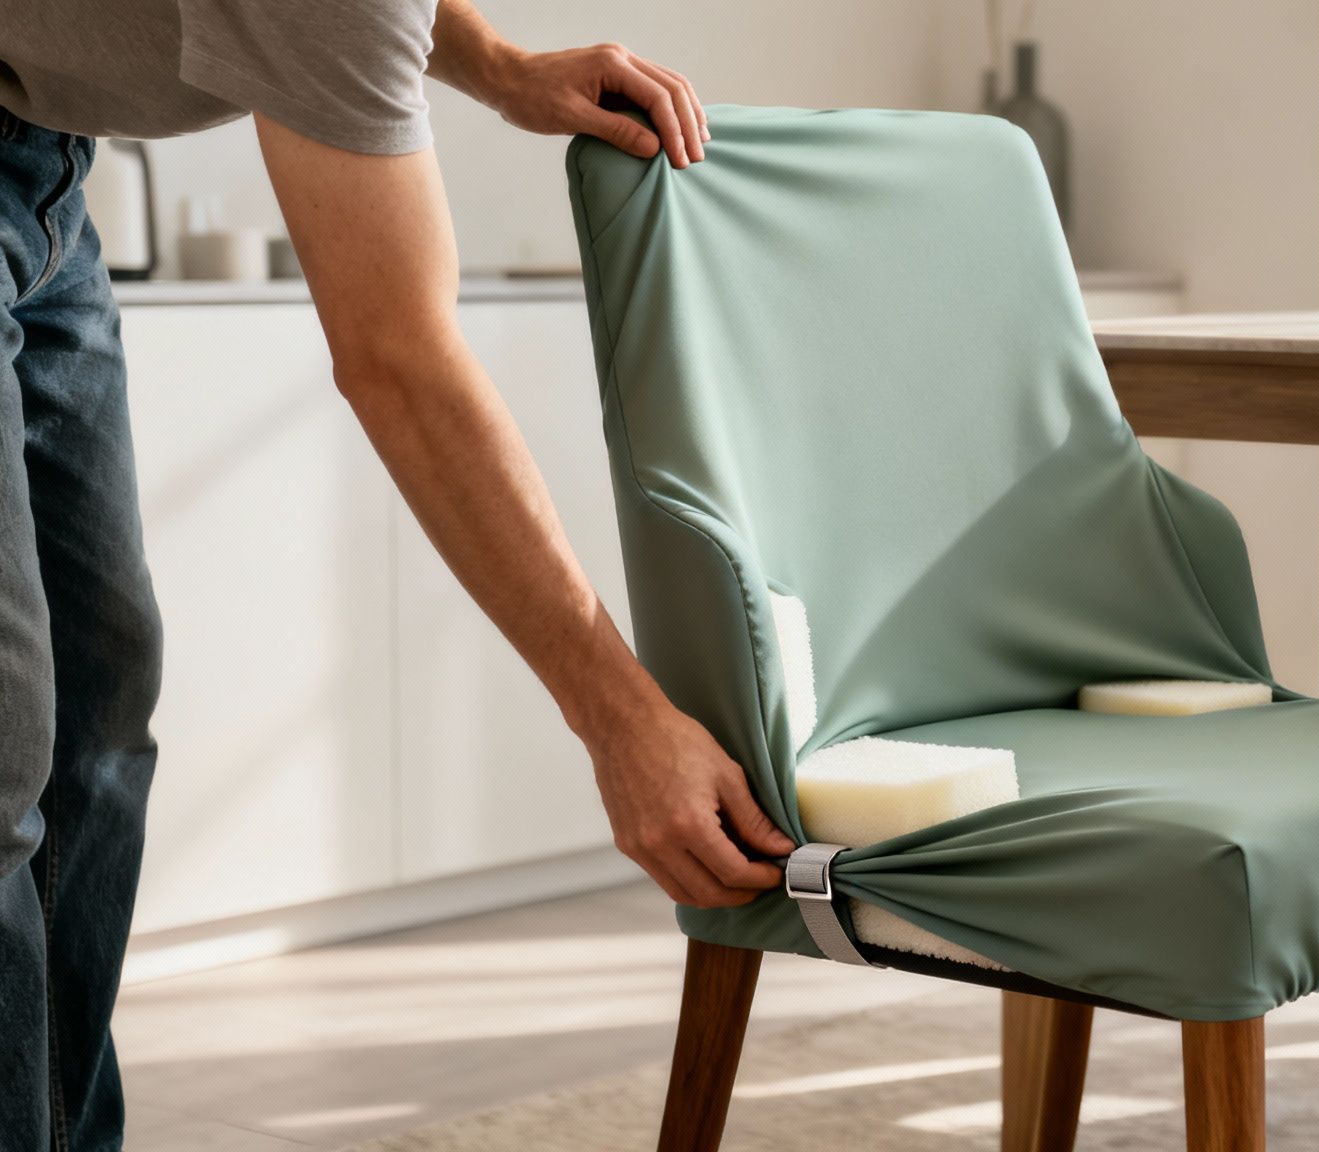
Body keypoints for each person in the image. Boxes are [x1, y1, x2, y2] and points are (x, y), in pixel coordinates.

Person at [0, 3, 795, 1147]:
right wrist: (622, 722)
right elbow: (397, 362)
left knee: (100, 708)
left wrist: (500, 68)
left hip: (47, 171)